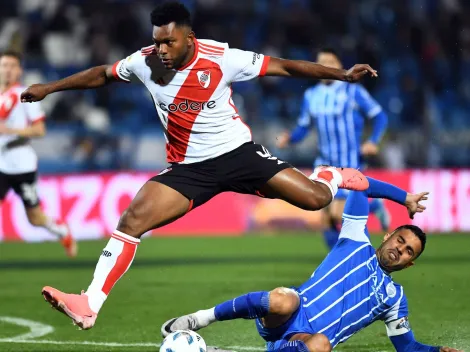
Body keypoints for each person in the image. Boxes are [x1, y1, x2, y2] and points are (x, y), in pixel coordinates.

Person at [21, 1, 377, 330]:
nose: (161, 50)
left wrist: (342, 75)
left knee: (316, 199)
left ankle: (331, 175)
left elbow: (282, 66)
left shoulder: (222, 57)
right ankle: (89, 302)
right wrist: (50, 88)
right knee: (132, 221)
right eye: (157, 42)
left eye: (169, 42)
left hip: (239, 155)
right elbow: (101, 74)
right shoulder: (143, 62)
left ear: (189, 38)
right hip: (189, 169)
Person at [161, 174, 461, 352]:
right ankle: (200, 319)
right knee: (283, 298)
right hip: (288, 314)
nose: (401, 250)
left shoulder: (395, 299)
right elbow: (359, 183)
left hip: (304, 341)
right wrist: (404, 196)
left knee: (321, 346)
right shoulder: (356, 237)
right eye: (400, 241)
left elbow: (407, 347)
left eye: (409, 252)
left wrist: (438, 351)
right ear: (388, 236)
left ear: (409, 264)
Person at [277, 48, 390, 250]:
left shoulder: (353, 91)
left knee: (338, 215)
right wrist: (290, 138)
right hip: (324, 163)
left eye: (330, 60)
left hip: (350, 161)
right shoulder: (311, 95)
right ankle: (336, 263)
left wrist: (373, 140)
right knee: (326, 220)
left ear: (339, 66)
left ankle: (375, 206)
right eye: (321, 61)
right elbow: (304, 127)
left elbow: (379, 116)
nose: (326, 64)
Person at [0, 50, 76, 257]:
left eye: (12, 66)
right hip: (1, 165)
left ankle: (61, 230)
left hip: (22, 166)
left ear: (19, 70)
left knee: (34, 218)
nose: (7, 70)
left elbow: (39, 130)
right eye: (4, 65)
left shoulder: (24, 95)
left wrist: (10, 131)